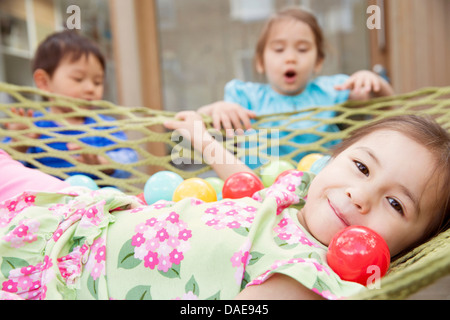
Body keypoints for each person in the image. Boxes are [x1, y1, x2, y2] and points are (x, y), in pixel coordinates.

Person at [1, 114, 448, 300]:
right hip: (84, 211)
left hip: (65, 277)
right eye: (361, 167)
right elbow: (243, 183)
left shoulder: (308, 275)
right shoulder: (299, 191)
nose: (360, 195)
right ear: (335, 159)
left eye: (395, 203)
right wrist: (201, 138)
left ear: (411, 245)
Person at [198, 7, 394, 166]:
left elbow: (388, 107)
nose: (290, 58)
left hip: (318, 187)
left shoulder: (330, 90)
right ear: (260, 61)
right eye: (279, 49)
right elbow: (196, 120)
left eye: (302, 49)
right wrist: (218, 108)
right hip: (259, 189)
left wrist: (372, 81)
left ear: (318, 61)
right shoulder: (246, 96)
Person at [3, 30, 138, 179]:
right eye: (78, 79)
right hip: (49, 200)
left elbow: (130, 160)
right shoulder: (34, 126)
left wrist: (102, 161)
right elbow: (7, 167)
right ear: (44, 82)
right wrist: (20, 144)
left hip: (100, 200)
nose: (90, 89)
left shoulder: (104, 126)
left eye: (97, 82)